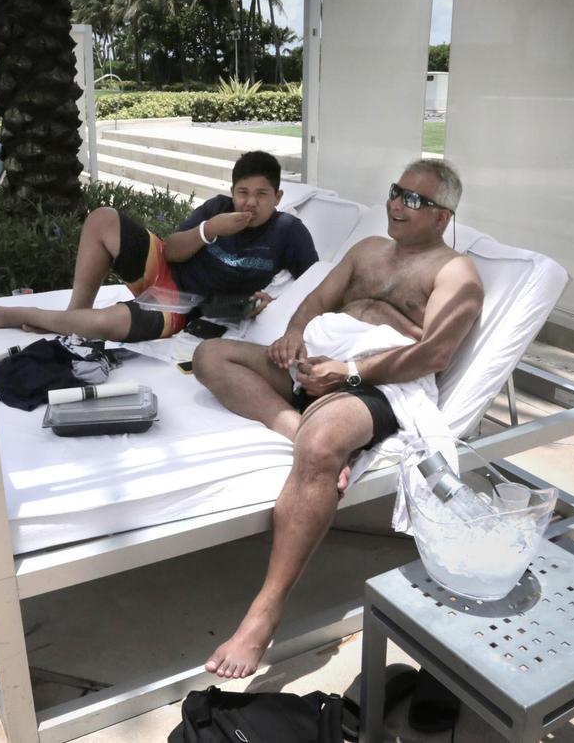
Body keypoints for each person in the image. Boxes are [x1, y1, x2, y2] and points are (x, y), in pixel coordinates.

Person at [193, 159, 484, 679]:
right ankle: (292, 424)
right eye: (396, 192)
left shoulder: (454, 272)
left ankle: (266, 610)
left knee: (324, 440)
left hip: (377, 382)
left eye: (414, 200)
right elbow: (317, 301)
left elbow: (434, 353)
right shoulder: (367, 251)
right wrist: (293, 335)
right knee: (211, 357)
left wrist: (348, 372)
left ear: (443, 217)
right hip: (320, 367)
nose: (397, 205)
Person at [0, 151, 318, 341]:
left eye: (262, 195)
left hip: (184, 306)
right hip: (165, 268)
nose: (250, 203)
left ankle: (30, 315)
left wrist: (272, 301)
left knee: (104, 325)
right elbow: (171, 250)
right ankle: (74, 315)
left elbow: (317, 286)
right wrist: (209, 230)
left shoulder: (288, 232)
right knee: (102, 218)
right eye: (243, 193)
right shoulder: (217, 209)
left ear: (278, 197)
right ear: (232, 192)